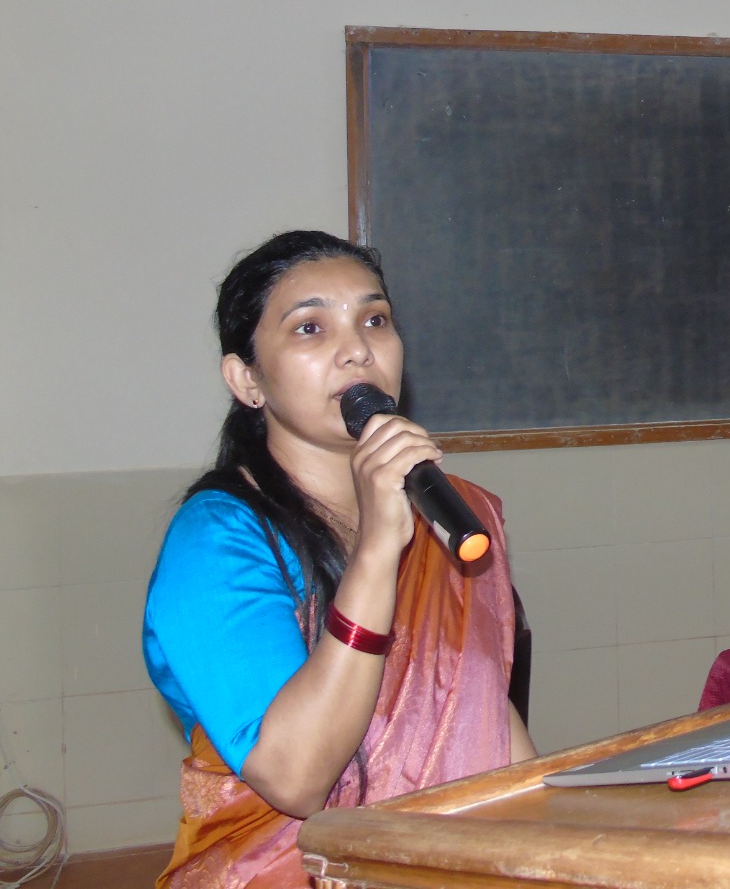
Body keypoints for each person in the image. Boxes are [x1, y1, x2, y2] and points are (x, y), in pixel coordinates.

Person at [143, 230, 536, 888]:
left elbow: (480, 717)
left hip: (445, 866)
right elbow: (296, 778)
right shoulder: (216, 541)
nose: (357, 349)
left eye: (375, 320)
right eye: (310, 328)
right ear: (247, 379)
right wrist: (378, 549)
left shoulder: (452, 512)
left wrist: (560, 843)